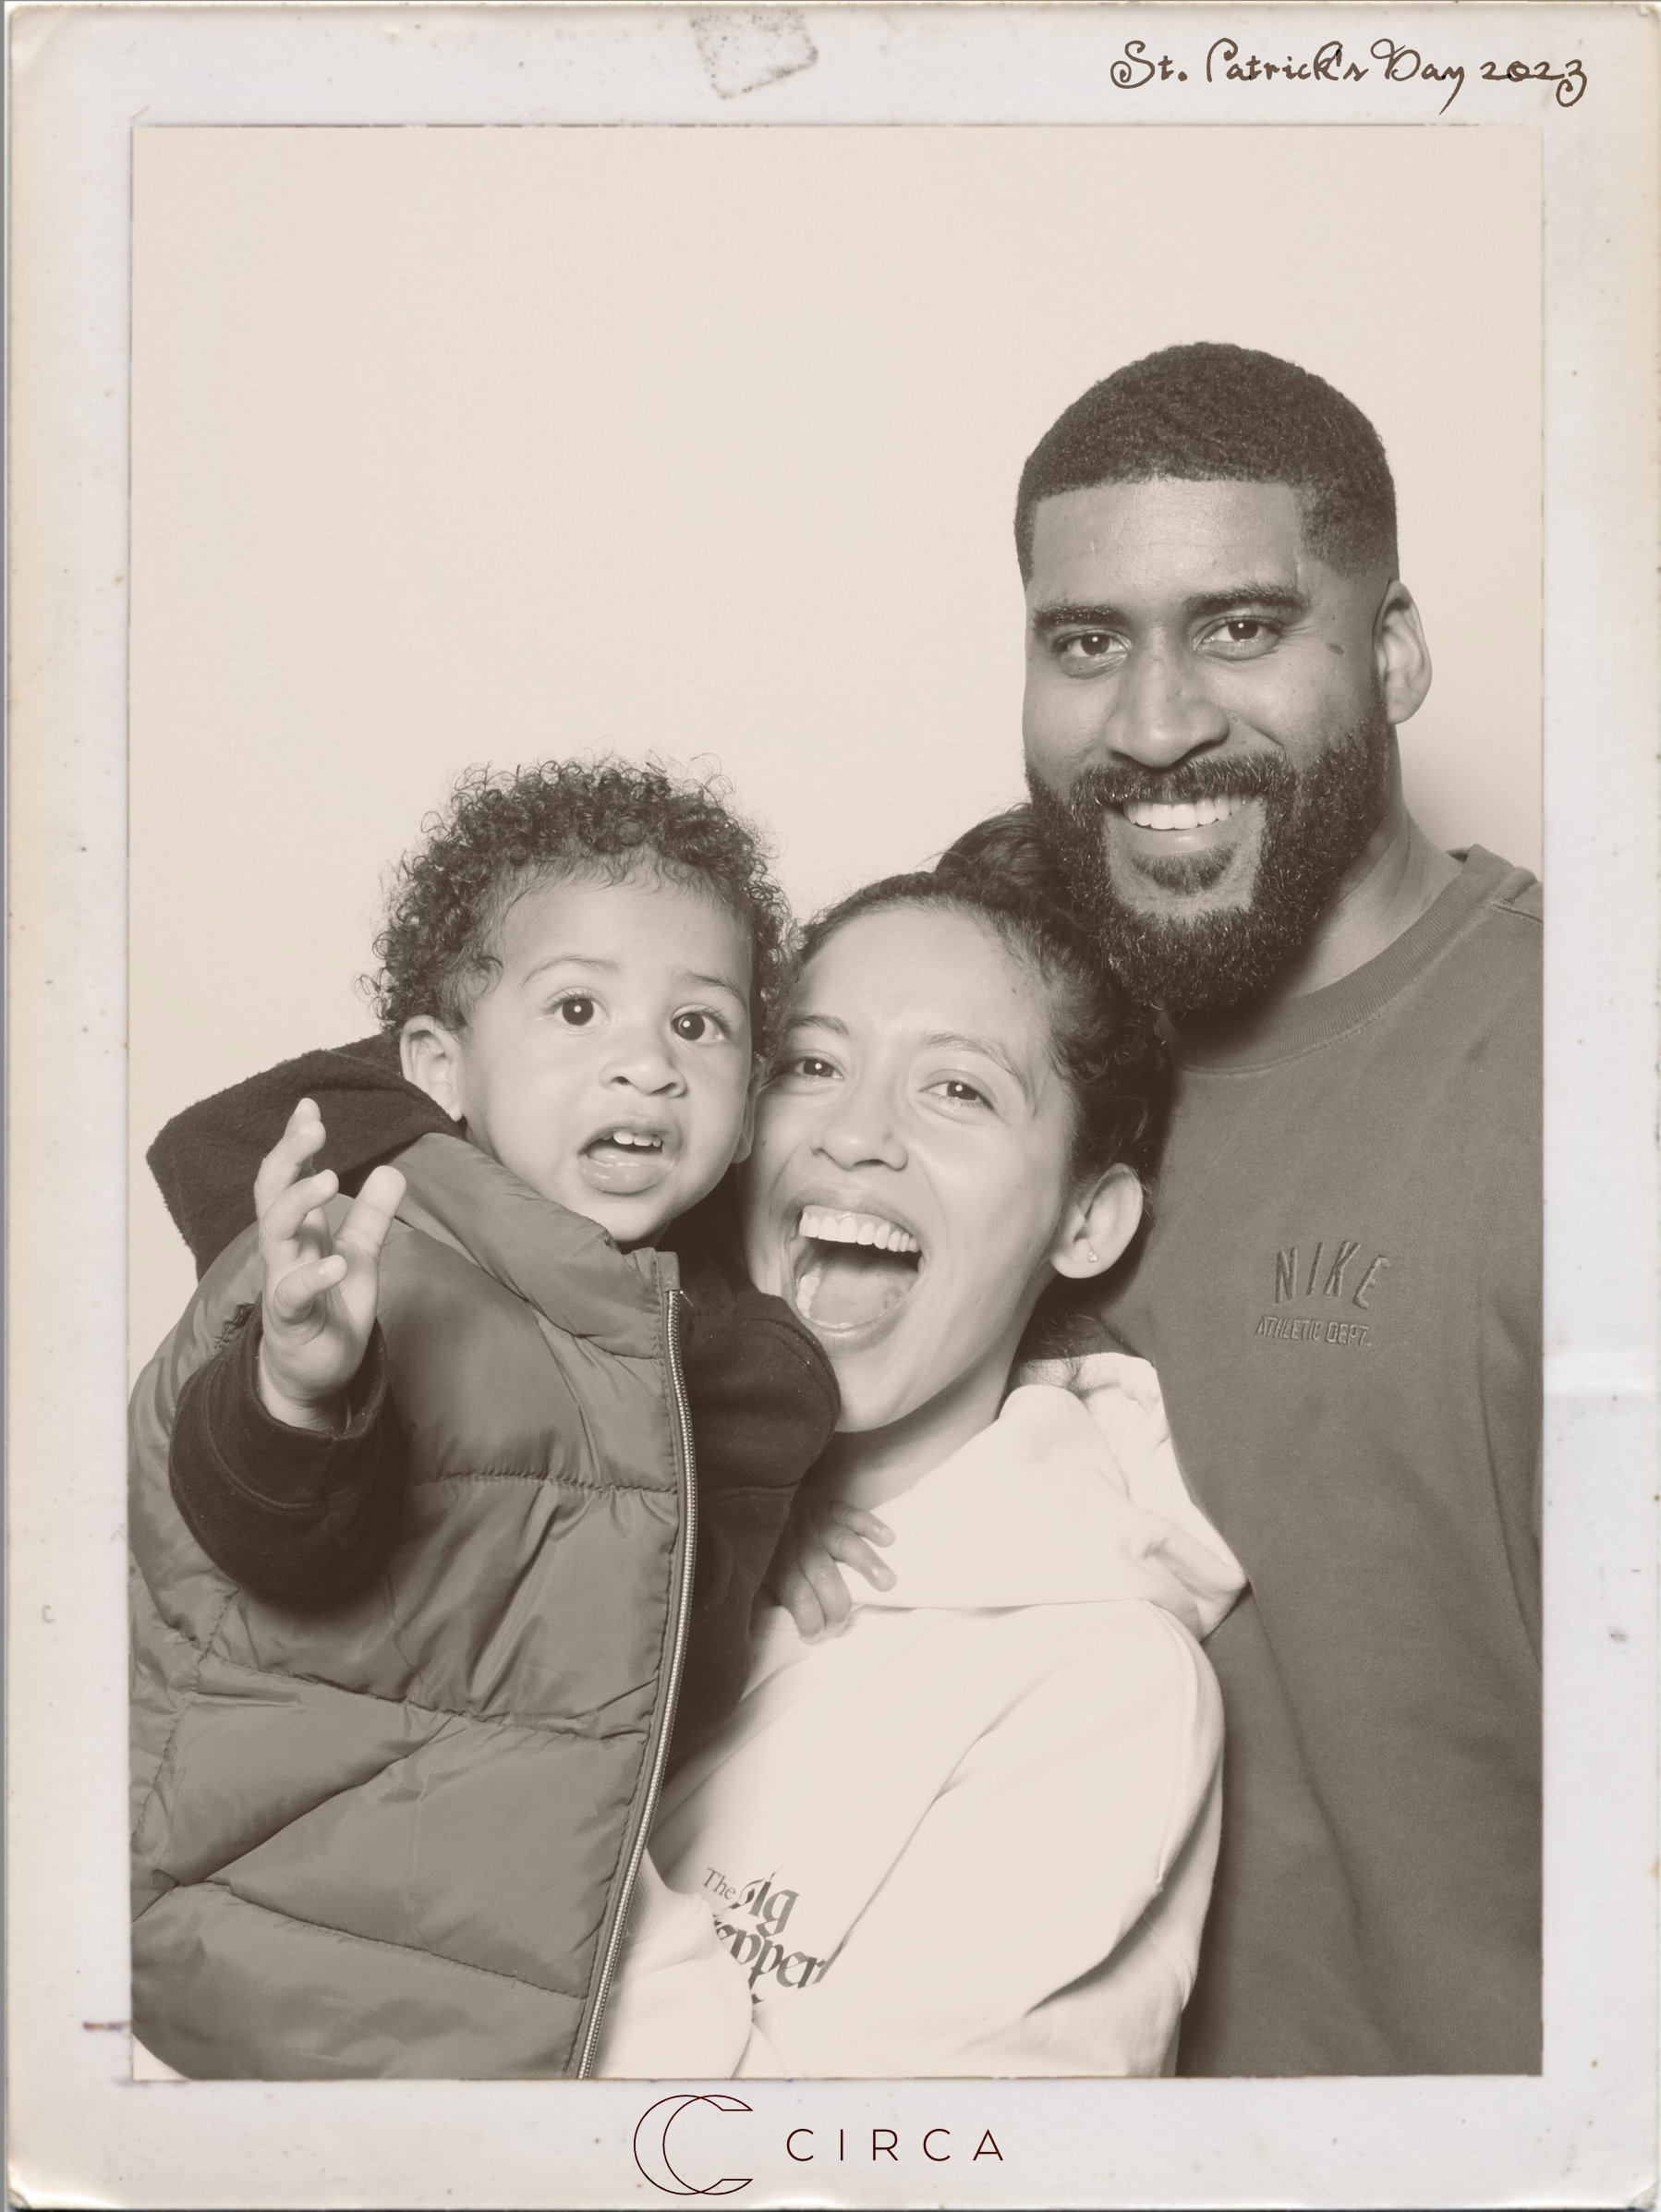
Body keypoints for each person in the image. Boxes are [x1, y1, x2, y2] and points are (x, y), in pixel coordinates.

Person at [128, 760, 837, 2080]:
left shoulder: (680, 1345)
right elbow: (249, 1522)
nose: (648, 1064)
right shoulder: (368, 1253)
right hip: (260, 1917)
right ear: (440, 1066)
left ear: (746, 1110)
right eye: (577, 1008)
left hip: (486, 1941)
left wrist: (772, 1527)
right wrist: (297, 1383)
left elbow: (649, 1668)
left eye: (700, 1026)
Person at [1014, 342, 1542, 2075]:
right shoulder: (989, 1058)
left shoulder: (1582, 1086)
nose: (1154, 722)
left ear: (1391, 655)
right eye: (1085, 643)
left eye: (1239, 627)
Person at [590, 816, 1244, 2077]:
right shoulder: (603, 1484)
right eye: (808, 1064)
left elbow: (892, 2159)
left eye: (957, 1089)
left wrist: (523, 1806)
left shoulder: (1100, 1688)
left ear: (1087, 1219)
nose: (854, 1133)